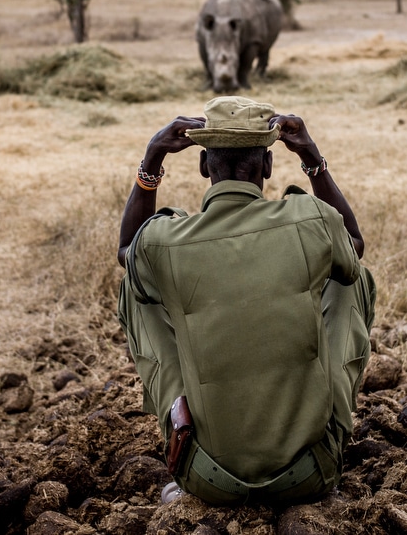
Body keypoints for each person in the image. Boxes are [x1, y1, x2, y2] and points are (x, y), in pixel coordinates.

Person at [116, 96, 376, 506]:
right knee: (351, 278)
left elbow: (127, 249)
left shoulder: (163, 242)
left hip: (208, 478)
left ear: (205, 166)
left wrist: (151, 163)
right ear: (269, 166)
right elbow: (354, 244)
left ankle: (181, 436)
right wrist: (313, 160)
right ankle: (325, 428)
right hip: (311, 473)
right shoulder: (312, 221)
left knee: (137, 288)